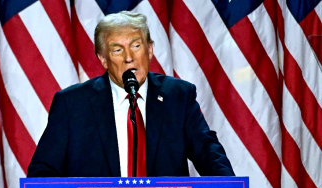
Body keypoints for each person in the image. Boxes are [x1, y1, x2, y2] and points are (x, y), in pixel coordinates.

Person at [27, 11, 235, 177]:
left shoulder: (178, 96)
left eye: (136, 46)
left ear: (150, 50)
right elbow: (42, 172)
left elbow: (208, 153)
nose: (129, 58)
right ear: (103, 59)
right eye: (117, 50)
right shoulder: (72, 104)